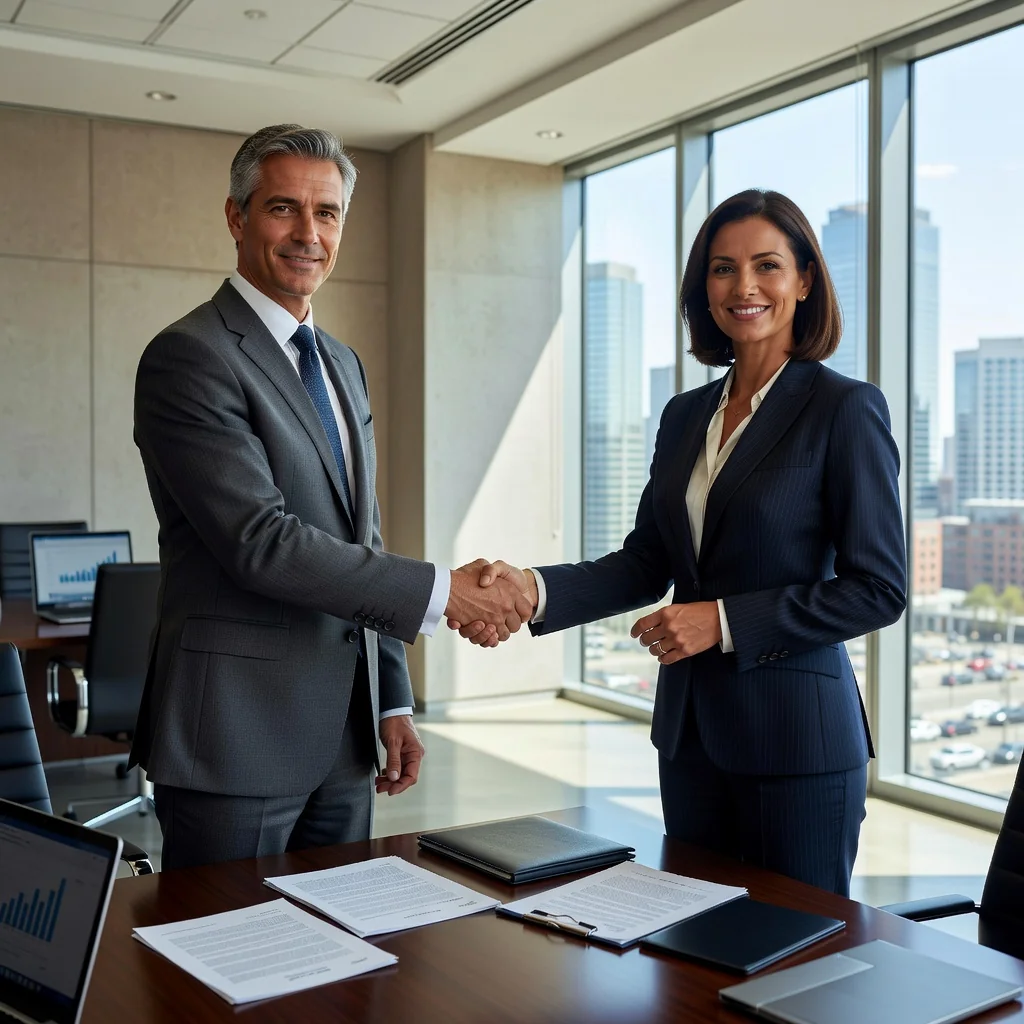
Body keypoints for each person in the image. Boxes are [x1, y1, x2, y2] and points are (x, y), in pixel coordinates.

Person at [453, 189, 907, 896]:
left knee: (797, 956)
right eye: (723, 269)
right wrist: (528, 588)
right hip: (691, 737)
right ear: (705, 288)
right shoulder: (685, 413)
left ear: (806, 280)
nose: (744, 287)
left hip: (797, 746)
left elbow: (878, 589)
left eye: (767, 266)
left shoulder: (844, 409)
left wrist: (722, 621)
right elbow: (646, 562)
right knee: (692, 955)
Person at [131, 124, 531, 870]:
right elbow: (262, 542)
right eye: (284, 209)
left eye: (328, 213)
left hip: (345, 739)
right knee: (229, 961)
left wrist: (391, 699)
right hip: (235, 736)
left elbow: (361, 540)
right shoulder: (189, 356)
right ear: (236, 217)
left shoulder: (340, 364)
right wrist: (447, 594)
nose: (308, 233)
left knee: (340, 965)